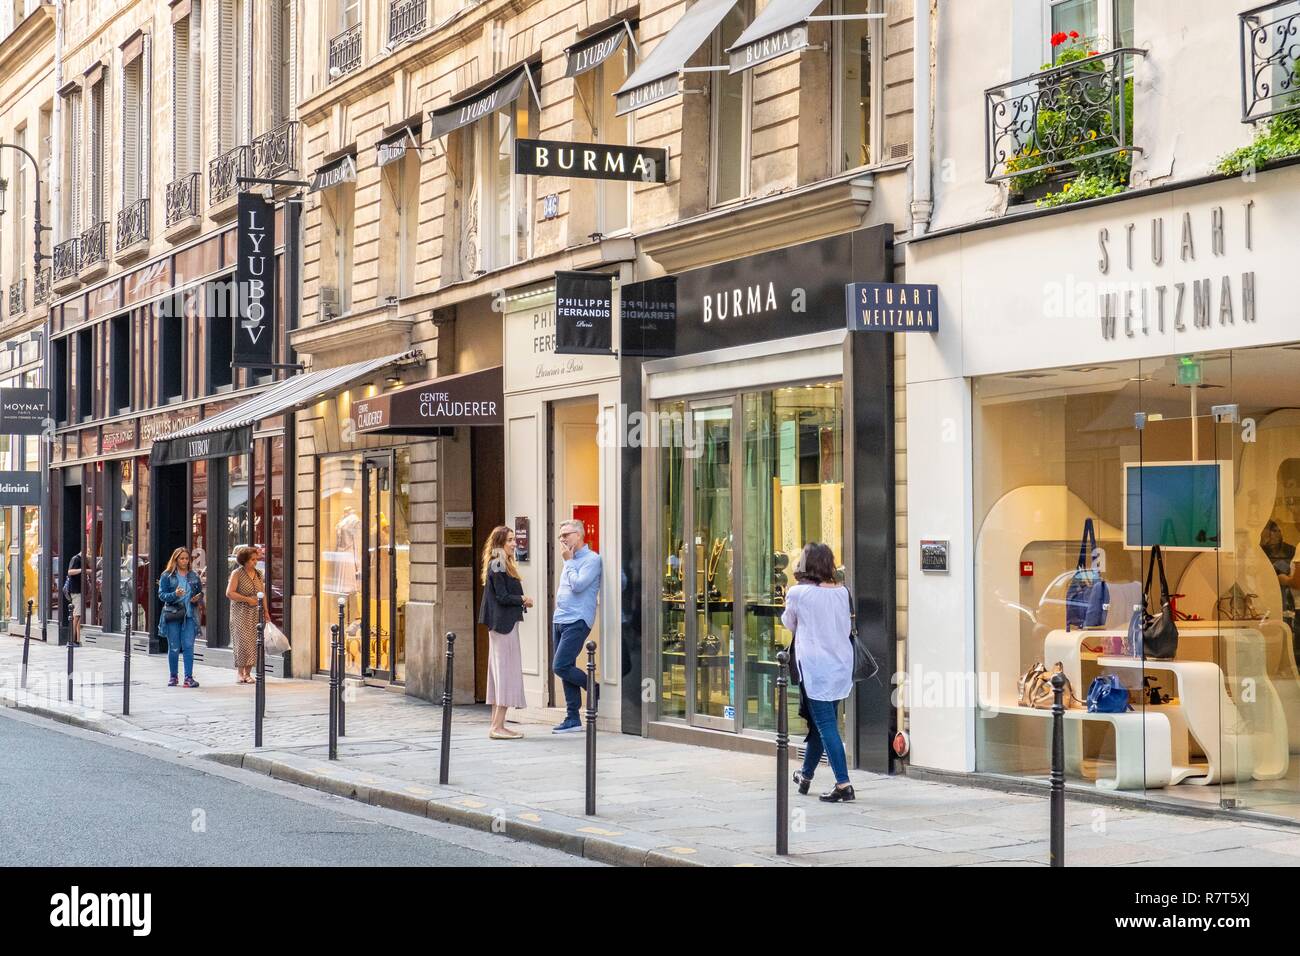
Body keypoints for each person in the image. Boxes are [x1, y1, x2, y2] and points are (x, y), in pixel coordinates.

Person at [782, 542, 855, 802]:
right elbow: (846, 627)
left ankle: (843, 784)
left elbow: (789, 622)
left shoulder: (798, 593)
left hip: (816, 668)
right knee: (820, 723)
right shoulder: (843, 592)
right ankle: (805, 775)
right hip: (840, 665)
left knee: (825, 725)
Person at [478, 526, 533, 739]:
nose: (513, 543)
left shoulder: (500, 563)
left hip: (501, 625)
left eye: (513, 539)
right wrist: (522, 599)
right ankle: (497, 727)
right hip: (503, 626)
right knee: (505, 673)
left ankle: (497, 725)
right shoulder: (499, 564)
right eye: (509, 540)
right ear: (500, 542)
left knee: (499, 673)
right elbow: (502, 596)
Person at [551, 518, 602, 734]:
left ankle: (593, 687)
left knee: (560, 665)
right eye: (560, 535)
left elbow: (579, 585)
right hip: (560, 619)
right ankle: (572, 717)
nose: (562, 539)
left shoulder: (591, 559)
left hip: (578, 620)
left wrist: (569, 562)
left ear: (579, 535)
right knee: (566, 667)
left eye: (566, 535)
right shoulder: (569, 559)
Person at [158, 547, 204, 688]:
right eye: (181, 558)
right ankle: (173, 676)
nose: (184, 561)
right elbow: (162, 595)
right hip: (174, 614)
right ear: (176, 559)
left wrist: (197, 598)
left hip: (190, 615)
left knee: (189, 646)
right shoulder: (167, 575)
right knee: (174, 647)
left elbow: (200, 593)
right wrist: (175, 595)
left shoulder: (193, 575)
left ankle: (188, 678)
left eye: (186, 558)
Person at [227, 546, 268, 685]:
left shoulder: (258, 574)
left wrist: (266, 611)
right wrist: (247, 599)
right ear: (244, 560)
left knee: (253, 643)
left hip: (256, 612)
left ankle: (249, 673)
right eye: (252, 559)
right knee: (241, 642)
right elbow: (230, 593)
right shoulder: (237, 573)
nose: (255, 562)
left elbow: (263, 593)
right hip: (240, 612)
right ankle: (240, 673)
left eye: (256, 559)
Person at [1261, 519, 1299, 661]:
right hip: (1269, 591)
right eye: (1272, 531)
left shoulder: (1290, 549)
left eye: (1278, 531)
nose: (1275, 535)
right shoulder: (1262, 550)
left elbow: (1295, 578)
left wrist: (1285, 578)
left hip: (1288, 595)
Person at [65, 551, 83, 646]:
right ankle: (71, 640)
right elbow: (70, 572)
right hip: (76, 592)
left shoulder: (81, 559)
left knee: (78, 617)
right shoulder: (76, 559)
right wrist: (82, 570)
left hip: (78, 591)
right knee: (76, 616)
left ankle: (77, 640)